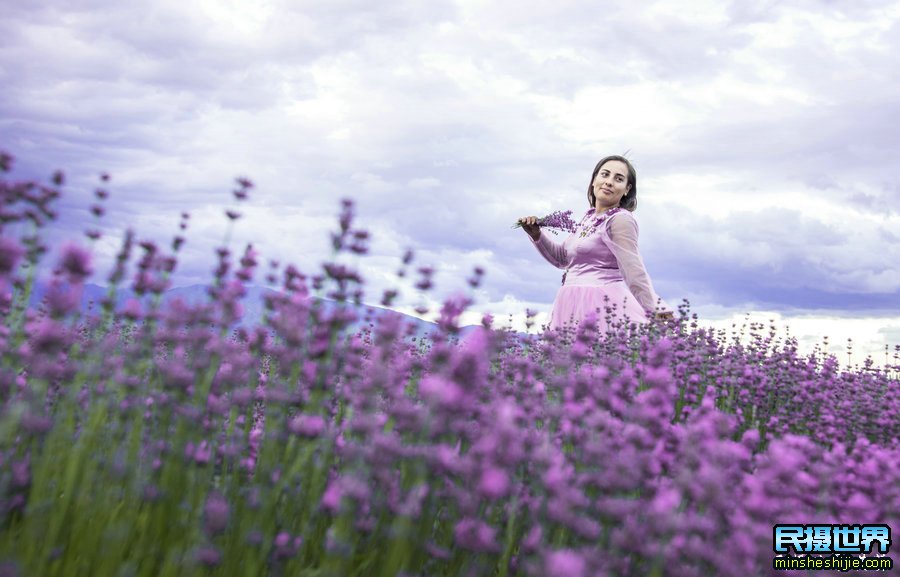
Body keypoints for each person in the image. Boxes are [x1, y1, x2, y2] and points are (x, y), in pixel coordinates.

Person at [518, 155, 671, 332]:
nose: (609, 182)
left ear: (627, 189)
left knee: (598, 356)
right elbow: (562, 259)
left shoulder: (620, 220)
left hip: (601, 304)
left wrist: (655, 307)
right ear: (594, 180)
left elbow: (633, 268)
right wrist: (537, 235)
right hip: (570, 302)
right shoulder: (588, 218)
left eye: (618, 179)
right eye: (605, 175)